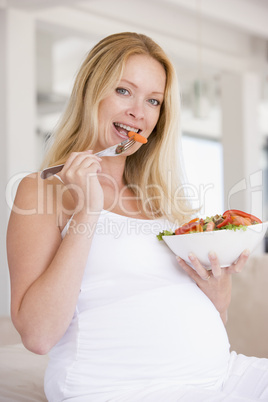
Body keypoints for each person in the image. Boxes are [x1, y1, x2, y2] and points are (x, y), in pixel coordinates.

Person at [6, 32, 268, 402]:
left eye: (153, 101)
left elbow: (205, 316)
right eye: (124, 91)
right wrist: (88, 210)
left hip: (222, 377)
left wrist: (217, 291)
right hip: (123, 388)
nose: (138, 112)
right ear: (90, 92)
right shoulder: (42, 190)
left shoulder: (161, 200)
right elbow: (37, 335)